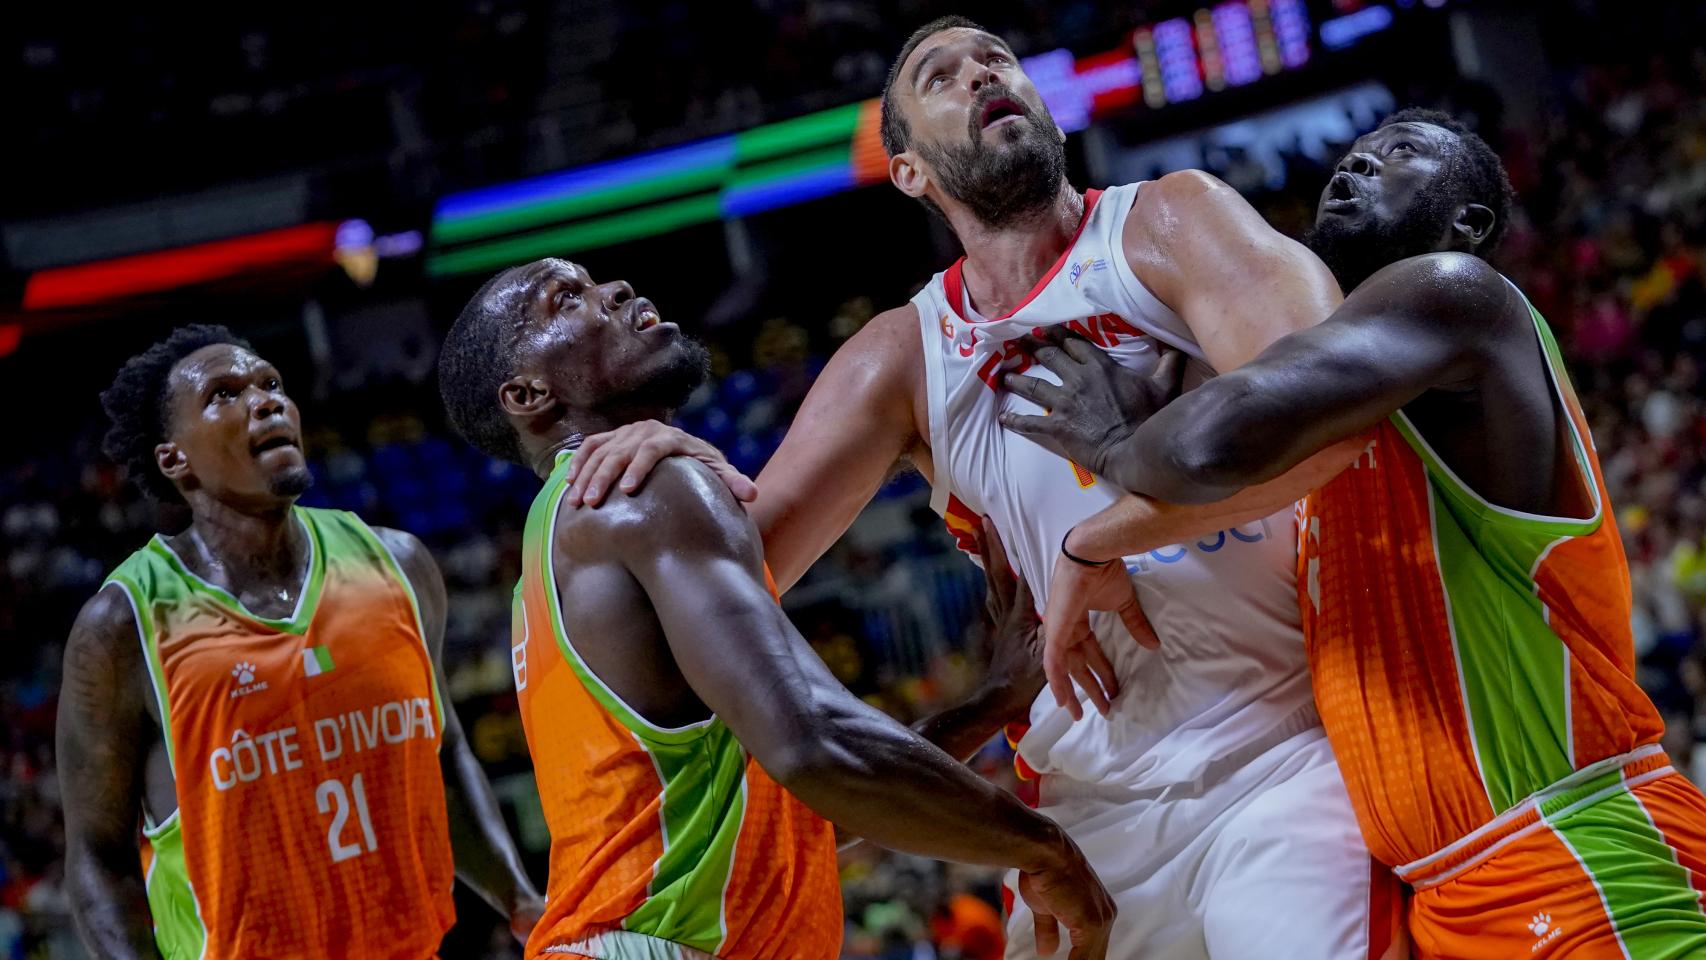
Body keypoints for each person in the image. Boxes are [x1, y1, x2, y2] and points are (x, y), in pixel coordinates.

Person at [557, 15, 1398, 960]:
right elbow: (733, 571)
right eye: (940, 76)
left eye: (997, 59)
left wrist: (1103, 537)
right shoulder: (903, 355)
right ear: (910, 171)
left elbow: (1339, 419)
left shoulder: (1167, 221)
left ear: (1046, 108)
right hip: (1091, 795)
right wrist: (668, 463)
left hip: (1288, 743)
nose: (981, 74)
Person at [1003, 109, 1706, 957]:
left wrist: (1117, 449)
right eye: (1353, 155)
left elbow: (1211, 443)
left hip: (1576, 850)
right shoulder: (1330, 460)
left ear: (1468, 221)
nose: (1356, 167)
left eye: (1399, 154)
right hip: (1443, 900)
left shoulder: (1455, 294)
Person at [435, 258, 1114, 960]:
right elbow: (815, 745)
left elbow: (798, 810)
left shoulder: (563, 538)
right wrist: (1046, 850)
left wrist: (993, 701)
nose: (615, 290)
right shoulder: (642, 489)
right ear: (528, 394)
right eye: (567, 300)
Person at [59, 325, 544, 959]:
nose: (264, 401)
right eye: (224, 394)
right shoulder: (124, 624)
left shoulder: (397, 563)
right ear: (173, 458)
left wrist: (521, 902)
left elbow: (446, 758)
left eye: (271, 385)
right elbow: (97, 857)